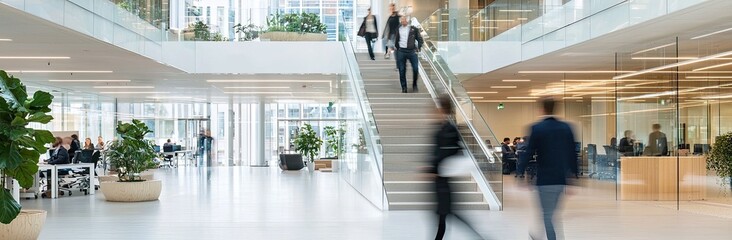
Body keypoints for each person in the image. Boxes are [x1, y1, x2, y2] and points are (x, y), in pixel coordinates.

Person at [518, 98, 578, 240]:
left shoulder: (537, 128)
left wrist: (520, 172)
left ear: (542, 109)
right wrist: (574, 177)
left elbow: (529, 152)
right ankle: (538, 235)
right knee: (551, 213)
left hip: (545, 179)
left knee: (547, 214)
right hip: (560, 178)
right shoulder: (566, 127)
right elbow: (572, 153)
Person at [428, 95, 482, 240]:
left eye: (436, 108)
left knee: (446, 214)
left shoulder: (447, 129)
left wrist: (433, 169)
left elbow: (444, 152)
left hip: (443, 180)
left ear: (441, 109)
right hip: (442, 179)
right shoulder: (444, 127)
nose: (433, 111)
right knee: (444, 215)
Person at [394, 16, 423, 93]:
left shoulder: (413, 29)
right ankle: (404, 87)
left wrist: (419, 47)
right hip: (401, 51)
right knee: (402, 70)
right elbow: (396, 39)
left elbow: (420, 39)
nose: (402, 21)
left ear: (407, 21)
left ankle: (414, 84)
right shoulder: (398, 29)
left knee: (415, 68)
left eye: (404, 20)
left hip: (411, 51)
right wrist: (397, 48)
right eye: (401, 20)